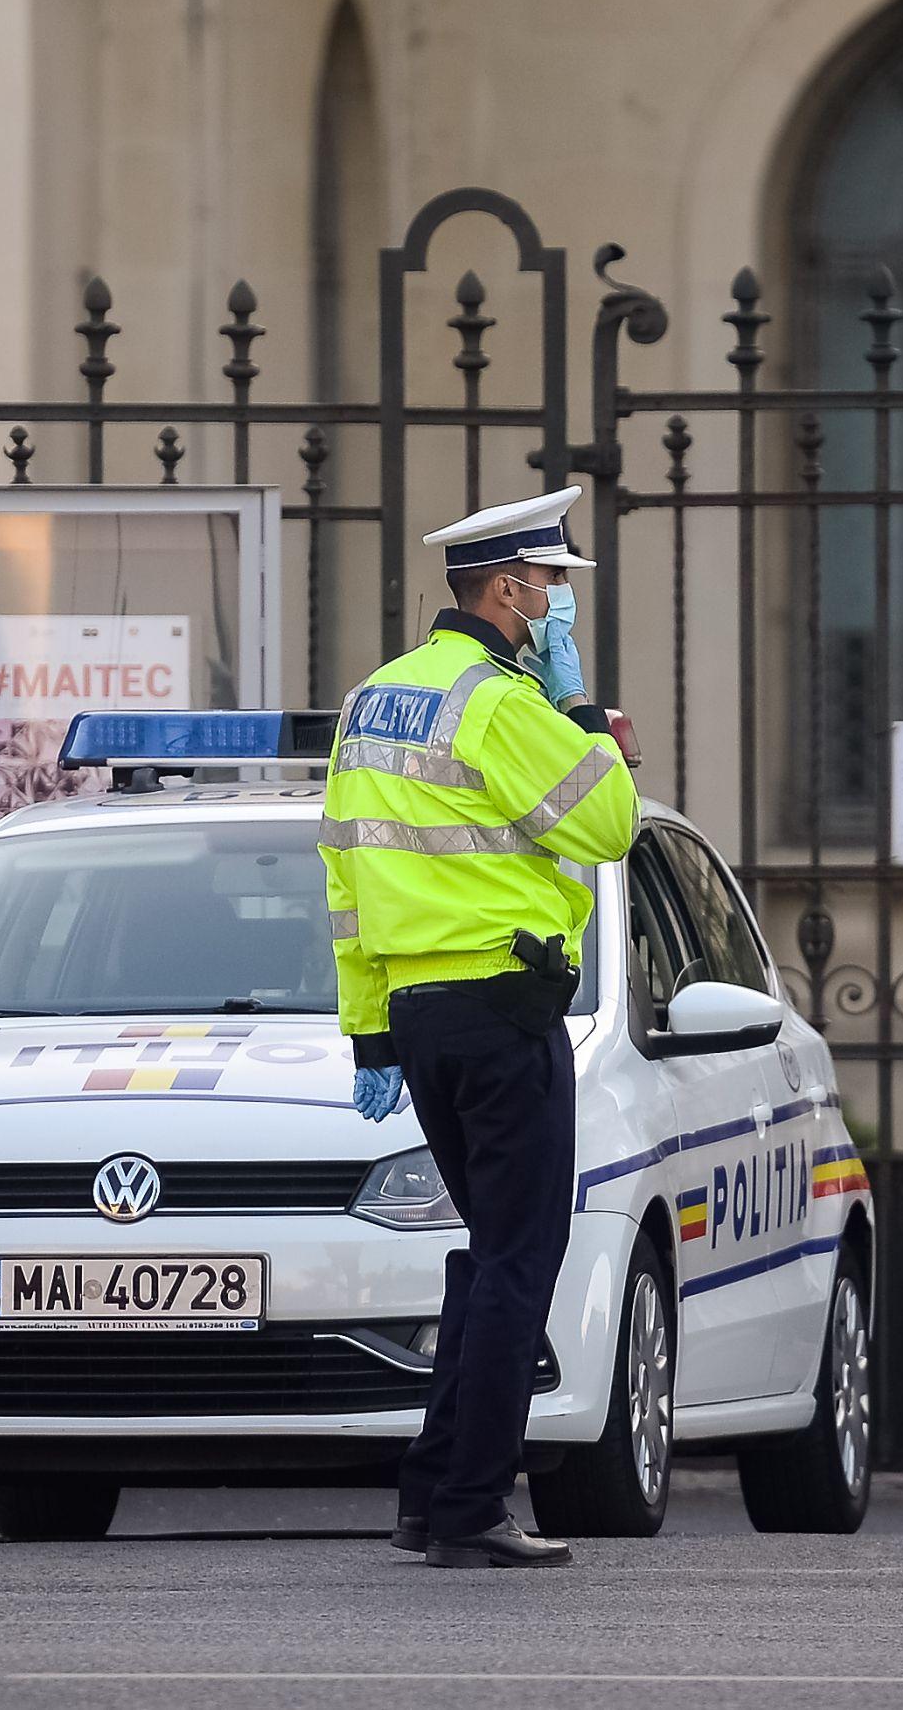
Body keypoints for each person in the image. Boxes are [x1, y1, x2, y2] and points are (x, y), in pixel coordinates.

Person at [320, 485, 637, 1570]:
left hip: (417, 1013)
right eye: (549, 586)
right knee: (520, 1255)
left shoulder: (372, 701)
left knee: (487, 1253)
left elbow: (347, 884)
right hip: (504, 1010)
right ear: (505, 588)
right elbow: (611, 823)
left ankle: (427, 1491)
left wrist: (370, 1033)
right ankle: (467, 1505)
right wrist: (579, 709)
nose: (557, 605)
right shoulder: (501, 706)